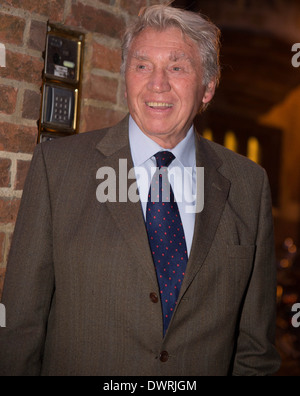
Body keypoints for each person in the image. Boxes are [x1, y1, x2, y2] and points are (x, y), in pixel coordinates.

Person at [0, 5, 281, 376]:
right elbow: (19, 330)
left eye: (177, 67)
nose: (157, 83)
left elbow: (256, 351)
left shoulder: (249, 184)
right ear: (126, 78)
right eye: (142, 65)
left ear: (208, 88)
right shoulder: (59, 168)